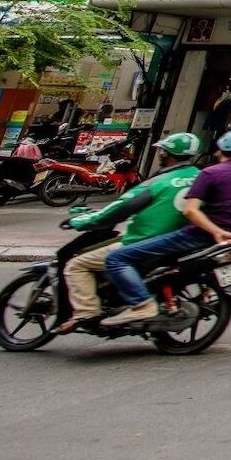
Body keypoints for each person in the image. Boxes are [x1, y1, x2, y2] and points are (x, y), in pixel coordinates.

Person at [101, 127, 231, 327]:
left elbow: (190, 211)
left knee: (117, 258)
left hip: (195, 236)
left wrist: (217, 231)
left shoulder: (210, 174)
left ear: (221, 147)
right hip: (230, 235)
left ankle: (141, 304)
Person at [58, 133, 203, 331]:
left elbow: (118, 209)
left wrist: (82, 221)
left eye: (162, 152)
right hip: (182, 241)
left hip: (144, 240)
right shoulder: (201, 177)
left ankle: (87, 313)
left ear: (166, 155)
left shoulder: (158, 182)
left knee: (76, 264)